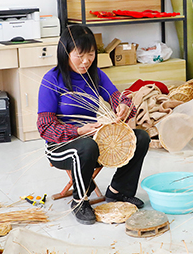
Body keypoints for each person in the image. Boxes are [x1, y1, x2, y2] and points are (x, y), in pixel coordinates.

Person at [37, 25, 150, 224]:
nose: (86, 61)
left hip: (92, 140)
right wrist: (78, 130)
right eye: (79, 55)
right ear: (65, 53)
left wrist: (123, 106)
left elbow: (117, 97)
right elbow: (45, 128)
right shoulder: (51, 80)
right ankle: (79, 201)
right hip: (60, 146)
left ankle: (118, 192)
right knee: (87, 146)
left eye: (90, 54)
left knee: (140, 137)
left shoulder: (95, 75)